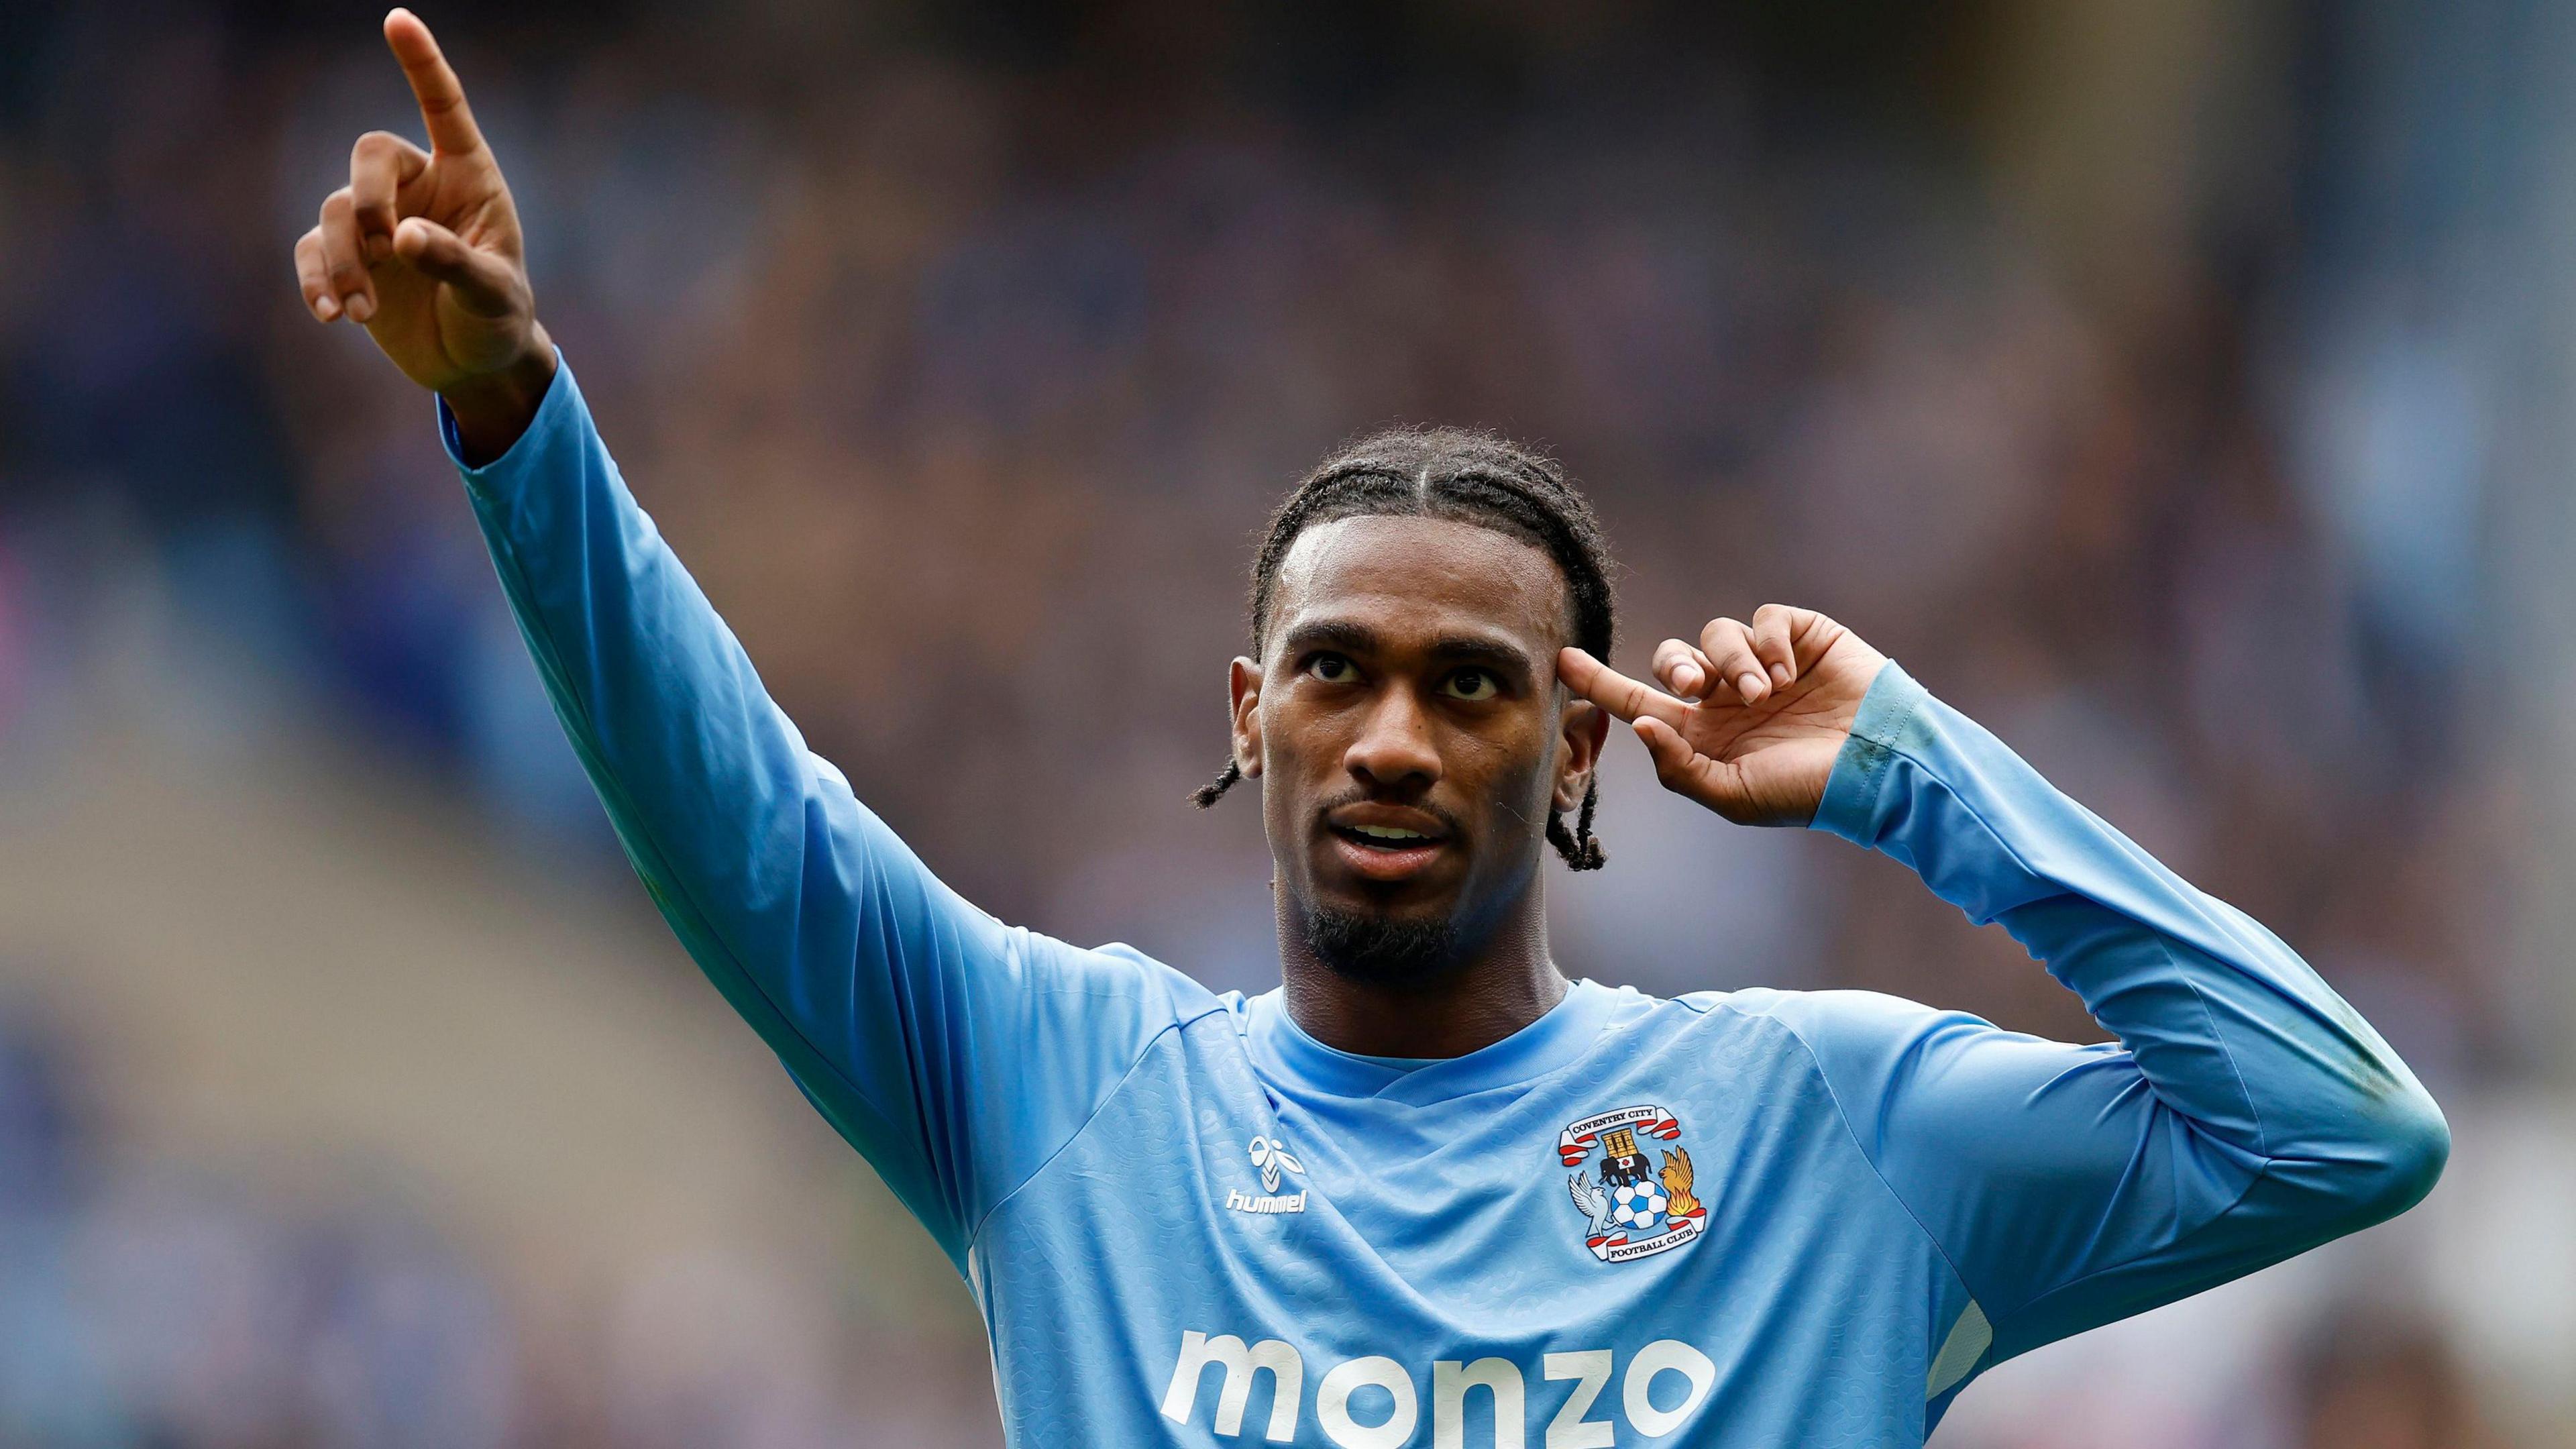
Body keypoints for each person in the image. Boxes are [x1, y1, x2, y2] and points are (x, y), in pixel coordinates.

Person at [292, 13, 2450, 1445]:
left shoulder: (1831, 1128)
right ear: (1252, 717)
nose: (1396, 737)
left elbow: (2342, 1133)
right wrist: (512, 414)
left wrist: (1917, 778)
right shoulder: (1061, 1084)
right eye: (1337, 671)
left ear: (1581, 754)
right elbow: (730, 811)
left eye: (1477, 683)